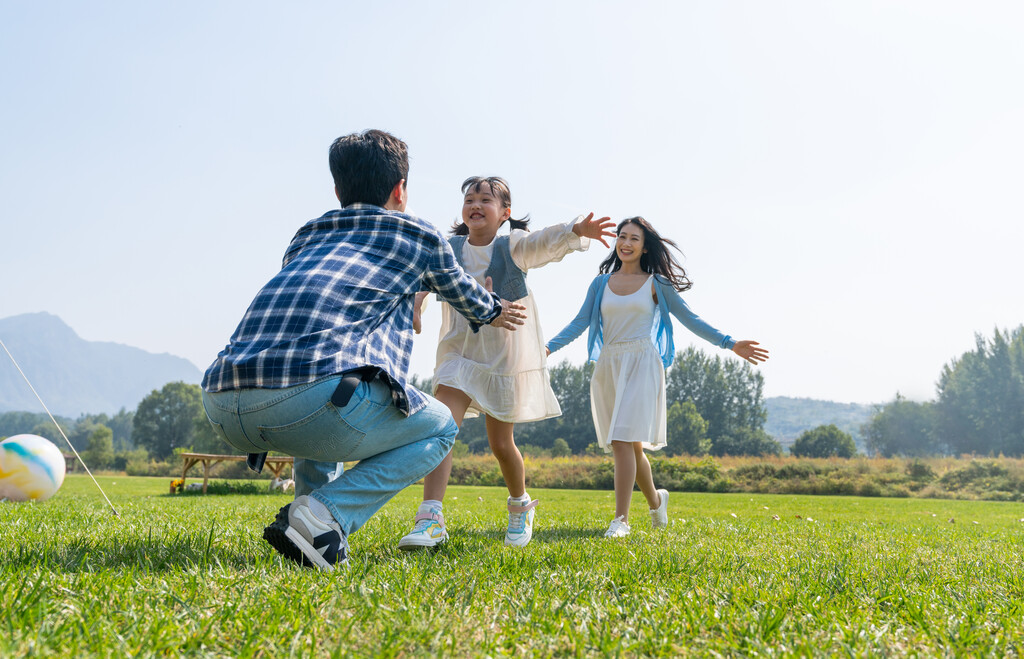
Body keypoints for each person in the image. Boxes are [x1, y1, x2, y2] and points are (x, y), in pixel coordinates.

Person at [200, 130, 527, 571]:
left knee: (327, 369)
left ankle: (310, 532)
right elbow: (465, 295)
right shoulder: (418, 235)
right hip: (307, 398)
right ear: (400, 191)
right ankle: (326, 515)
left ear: (338, 190)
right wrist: (495, 308)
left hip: (222, 399)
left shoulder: (307, 234)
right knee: (440, 429)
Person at [397, 176, 615, 550]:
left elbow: (541, 243)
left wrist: (575, 229)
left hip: (503, 358)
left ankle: (520, 505)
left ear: (505, 214)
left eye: (485, 199)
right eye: (469, 199)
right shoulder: (447, 249)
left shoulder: (512, 246)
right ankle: (430, 517)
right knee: (442, 427)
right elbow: (423, 280)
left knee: (501, 444)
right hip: (458, 353)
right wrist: (417, 305)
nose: (475, 205)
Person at [545, 217, 769, 538]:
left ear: (645, 245)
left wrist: (730, 343)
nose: (626, 243)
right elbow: (580, 322)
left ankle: (621, 520)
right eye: (622, 237)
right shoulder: (600, 284)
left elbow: (690, 318)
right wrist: (548, 348)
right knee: (631, 447)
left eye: (634, 238)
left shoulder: (656, 284)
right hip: (610, 364)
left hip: (643, 363)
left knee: (622, 439)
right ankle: (656, 500)